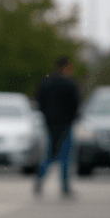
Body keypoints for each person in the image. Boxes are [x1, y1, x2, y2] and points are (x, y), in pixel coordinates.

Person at [34, 54, 81, 197]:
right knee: (65, 156)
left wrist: (48, 118)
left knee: (49, 154)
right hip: (65, 124)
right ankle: (65, 187)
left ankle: (39, 181)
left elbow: (39, 101)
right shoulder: (69, 84)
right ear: (66, 66)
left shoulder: (46, 82)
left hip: (50, 124)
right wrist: (71, 118)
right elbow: (76, 103)